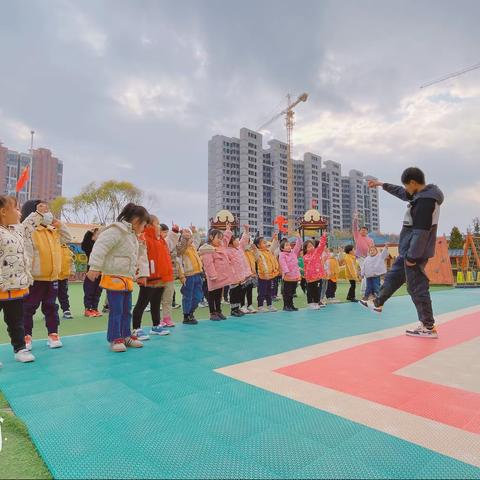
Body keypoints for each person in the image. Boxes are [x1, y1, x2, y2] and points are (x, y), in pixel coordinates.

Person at [362, 168, 444, 339]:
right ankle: (378, 303)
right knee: (394, 276)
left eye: (406, 185)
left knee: (416, 287)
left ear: (413, 183)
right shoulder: (419, 195)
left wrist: (413, 257)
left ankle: (428, 326)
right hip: (407, 250)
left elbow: (421, 232)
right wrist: (381, 184)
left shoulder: (425, 202)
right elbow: (401, 192)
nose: (405, 189)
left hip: (415, 253)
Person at [87, 203, 149, 352]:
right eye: (144, 224)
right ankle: (115, 338)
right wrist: (94, 266)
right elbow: (100, 247)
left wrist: (141, 272)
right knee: (117, 310)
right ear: (135, 220)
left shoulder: (133, 236)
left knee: (127, 309)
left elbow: (137, 256)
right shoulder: (116, 230)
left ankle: (126, 335)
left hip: (126, 277)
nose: (144, 228)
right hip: (114, 275)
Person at [22, 200, 72, 351]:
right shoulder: (30, 231)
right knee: (28, 308)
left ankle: (53, 334)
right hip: (35, 278)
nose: (47, 212)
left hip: (52, 278)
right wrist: (37, 215)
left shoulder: (52, 230)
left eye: (47, 209)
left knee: (51, 307)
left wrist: (59, 223)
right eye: (42, 209)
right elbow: (24, 228)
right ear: (33, 212)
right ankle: (26, 336)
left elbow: (67, 238)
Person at [0, 196, 35, 366]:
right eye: (16, 208)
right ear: (3, 212)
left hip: (14, 286)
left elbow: (28, 225)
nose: (19, 212)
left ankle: (20, 348)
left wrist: (39, 214)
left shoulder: (16, 229)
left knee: (16, 320)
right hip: (1, 285)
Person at [131, 216, 171, 340]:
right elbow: (141, 257)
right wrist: (142, 275)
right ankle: (136, 328)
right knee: (142, 303)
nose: (159, 226)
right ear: (149, 225)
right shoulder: (144, 239)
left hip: (160, 277)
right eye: (157, 223)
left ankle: (156, 325)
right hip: (149, 277)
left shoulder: (160, 240)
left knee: (156, 303)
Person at [199, 225, 235, 320]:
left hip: (222, 276)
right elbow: (208, 263)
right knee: (212, 295)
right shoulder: (208, 249)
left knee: (219, 295)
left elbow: (226, 239)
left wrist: (228, 230)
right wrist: (212, 275)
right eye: (218, 238)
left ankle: (219, 311)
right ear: (211, 237)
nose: (220, 240)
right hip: (213, 277)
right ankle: (212, 312)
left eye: (221, 238)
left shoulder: (221, 246)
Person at [176, 225, 203, 325]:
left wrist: (194, 231)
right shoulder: (180, 249)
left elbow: (197, 240)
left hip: (197, 274)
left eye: (190, 237)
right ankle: (186, 315)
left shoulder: (193, 247)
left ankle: (191, 312)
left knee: (198, 296)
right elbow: (179, 263)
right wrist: (182, 276)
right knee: (188, 296)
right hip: (188, 276)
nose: (191, 239)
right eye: (187, 238)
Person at [158, 223, 181, 328]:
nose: (166, 234)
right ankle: (157, 320)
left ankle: (167, 318)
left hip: (168, 273)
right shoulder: (156, 242)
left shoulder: (165, 243)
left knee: (168, 297)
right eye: (164, 232)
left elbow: (171, 241)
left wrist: (175, 231)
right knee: (157, 298)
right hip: (157, 275)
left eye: (167, 232)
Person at [226, 225, 252, 317]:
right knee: (234, 293)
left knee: (239, 292)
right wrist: (228, 230)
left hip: (241, 276)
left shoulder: (239, 248)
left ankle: (237, 308)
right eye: (235, 240)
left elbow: (244, 240)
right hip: (233, 277)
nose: (238, 241)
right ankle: (233, 309)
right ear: (230, 242)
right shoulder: (227, 251)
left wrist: (246, 230)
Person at [253, 233, 280, 312]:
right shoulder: (258, 253)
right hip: (263, 276)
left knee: (270, 291)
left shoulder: (269, 251)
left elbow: (274, 246)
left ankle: (270, 305)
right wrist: (255, 249)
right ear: (258, 245)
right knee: (262, 292)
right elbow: (256, 254)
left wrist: (275, 239)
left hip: (271, 275)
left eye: (266, 242)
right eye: (264, 243)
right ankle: (260, 306)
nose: (266, 244)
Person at [81, 227, 103, 317]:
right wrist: (89, 233)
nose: (100, 236)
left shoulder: (103, 246)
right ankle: (88, 309)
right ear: (93, 237)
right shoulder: (91, 246)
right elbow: (84, 245)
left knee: (98, 291)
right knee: (89, 290)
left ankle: (95, 308)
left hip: (101, 272)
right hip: (92, 271)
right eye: (97, 234)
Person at [278, 233, 302, 311]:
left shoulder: (293, 252)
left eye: (289, 245)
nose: (288, 246)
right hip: (287, 277)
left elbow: (298, 246)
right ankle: (286, 306)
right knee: (286, 292)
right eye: (286, 245)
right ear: (282, 248)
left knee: (292, 292)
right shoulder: (282, 255)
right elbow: (283, 264)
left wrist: (298, 238)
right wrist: (286, 272)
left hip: (294, 276)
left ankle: (291, 305)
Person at [303, 234, 327, 309]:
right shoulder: (305, 257)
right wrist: (306, 277)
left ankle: (316, 302)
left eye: (312, 246)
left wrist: (323, 237)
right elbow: (305, 268)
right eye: (308, 246)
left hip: (318, 277)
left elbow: (321, 246)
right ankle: (310, 303)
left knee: (318, 290)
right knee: (310, 291)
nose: (311, 247)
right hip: (310, 278)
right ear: (305, 249)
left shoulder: (317, 252)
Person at [353, 212, 374, 297]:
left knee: (369, 274)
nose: (363, 230)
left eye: (365, 230)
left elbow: (373, 249)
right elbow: (354, 228)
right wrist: (355, 219)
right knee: (365, 273)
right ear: (359, 231)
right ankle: (365, 292)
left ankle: (367, 291)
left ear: (367, 231)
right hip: (360, 258)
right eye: (362, 229)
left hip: (369, 258)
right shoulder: (357, 236)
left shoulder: (370, 239)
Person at [241, 229, 258, 314]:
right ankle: (242, 305)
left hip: (251, 273)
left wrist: (255, 250)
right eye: (246, 241)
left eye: (249, 241)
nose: (248, 243)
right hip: (243, 274)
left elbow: (256, 258)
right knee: (243, 290)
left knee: (249, 289)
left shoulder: (250, 251)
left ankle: (250, 305)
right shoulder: (241, 251)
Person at [57, 243, 75, 319]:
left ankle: (66, 310)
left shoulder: (67, 249)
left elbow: (71, 261)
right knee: (50, 296)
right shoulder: (52, 246)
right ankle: (50, 312)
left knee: (63, 294)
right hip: (52, 277)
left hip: (63, 277)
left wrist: (72, 271)